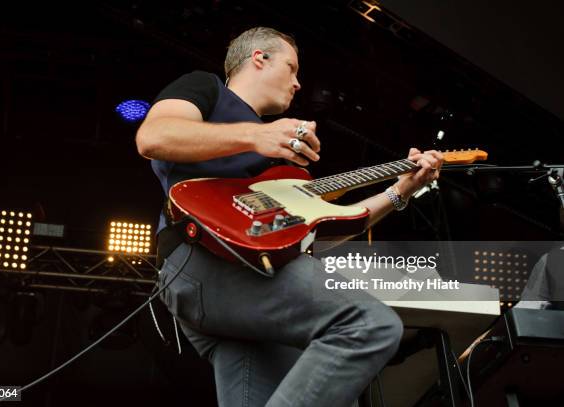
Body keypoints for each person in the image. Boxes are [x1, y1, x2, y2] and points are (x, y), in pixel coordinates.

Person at [136, 27, 443, 407]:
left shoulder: (277, 163)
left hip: (242, 283)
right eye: (292, 67)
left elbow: (328, 226)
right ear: (259, 58)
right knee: (369, 324)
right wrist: (256, 136)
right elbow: (153, 137)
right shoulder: (207, 88)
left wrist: (400, 191)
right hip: (207, 261)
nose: (298, 83)